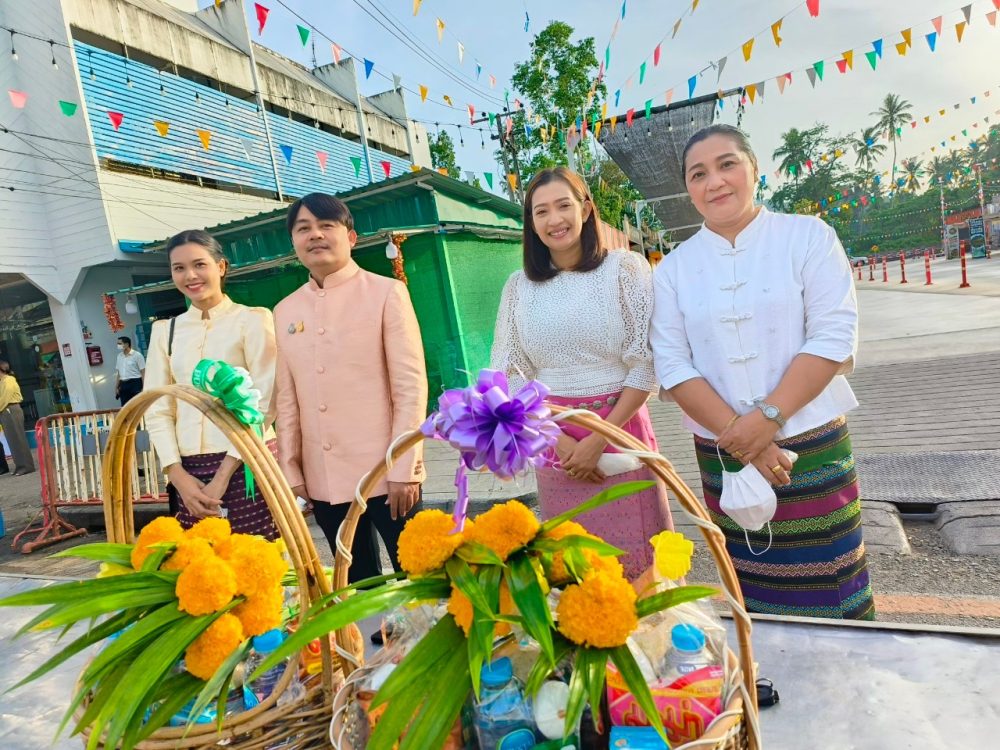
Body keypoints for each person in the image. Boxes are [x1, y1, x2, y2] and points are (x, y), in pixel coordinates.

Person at [650, 124, 874, 620]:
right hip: (724, 448)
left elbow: (833, 336)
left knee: (834, 582)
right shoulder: (673, 270)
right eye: (698, 174)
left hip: (810, 441)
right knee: (749, 579)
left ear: (754, 168)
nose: (714, 182)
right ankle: (760, 663)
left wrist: (768, 419)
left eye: (727, 164)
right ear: (688, 188)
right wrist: (740, 434)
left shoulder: (808, 236)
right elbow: (671, 362)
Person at [491, 167, 672, 580]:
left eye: (563, 206)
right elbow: (510, 370)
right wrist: (560, 440)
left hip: (622, 431)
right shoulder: (518, 287)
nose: (554, 220)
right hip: (553, 440)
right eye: (541, 212)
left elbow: (645, 361)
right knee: (571, 570)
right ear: (531, 223)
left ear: (586, 209)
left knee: (639, 572)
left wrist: (599, 437)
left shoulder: (625, 269)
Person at [274, 193, 427, 587]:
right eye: (304, 229)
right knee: (357, 587)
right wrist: (291, 469)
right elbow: (287, 400)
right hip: (324, 479)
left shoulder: (385, 293)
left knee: (420, 581)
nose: (315, 235)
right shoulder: (285, 310)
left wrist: (404, 468)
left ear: (351, 237)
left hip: (386, 473)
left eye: (326, 226)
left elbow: (409, 387)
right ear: (293, 242)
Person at [144, 230, 279, 539]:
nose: (190, 276)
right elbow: (158, 408)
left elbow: (264, 402)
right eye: (179, 268)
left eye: (199, 264)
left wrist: (222, 477)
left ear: (221, 266)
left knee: (258, 556)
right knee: (203, 559)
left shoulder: (253, 320)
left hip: (247, 461)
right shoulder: (165, 332)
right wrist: (176, 474)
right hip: (188, 470)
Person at [0, 360, 35, 476]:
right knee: (12, 440)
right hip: (5, 411)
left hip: (10, 409)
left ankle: (26, 466)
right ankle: (20, 465)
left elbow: (4, 399)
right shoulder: (2, 381)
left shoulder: (9, 380)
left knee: (18, 439)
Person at [114, 336, 145, 407]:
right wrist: (116, 387)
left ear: (127, 344)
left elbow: (143, 372)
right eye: (118, 343)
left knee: (137, 405)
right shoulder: (119, 356)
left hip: (135, 383)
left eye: (120, 343)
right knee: (125, 406)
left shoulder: (137, 355)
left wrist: (144, 386)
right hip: (123, 384)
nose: (118, 345)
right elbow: (119, 373)